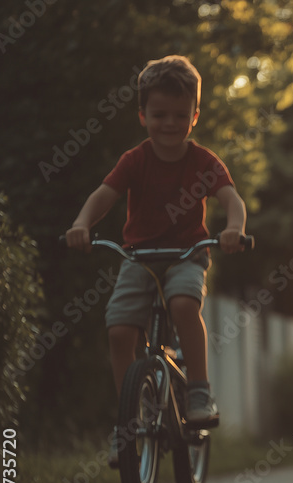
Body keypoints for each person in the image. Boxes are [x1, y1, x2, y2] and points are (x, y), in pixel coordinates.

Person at [64, 55, 247, 455]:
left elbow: (232, 200)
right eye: (159, 114)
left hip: (186, 255)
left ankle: (198, 392)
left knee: (183, 304)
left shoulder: (203, 161)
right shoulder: (135, 159)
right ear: (142, 115)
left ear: (194, 116)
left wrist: (234, 229)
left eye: (180, 115)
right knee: (119, 330)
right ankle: (128, 421)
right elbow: (103, 196)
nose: (169, 123)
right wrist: (82, 224)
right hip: (139, 257)